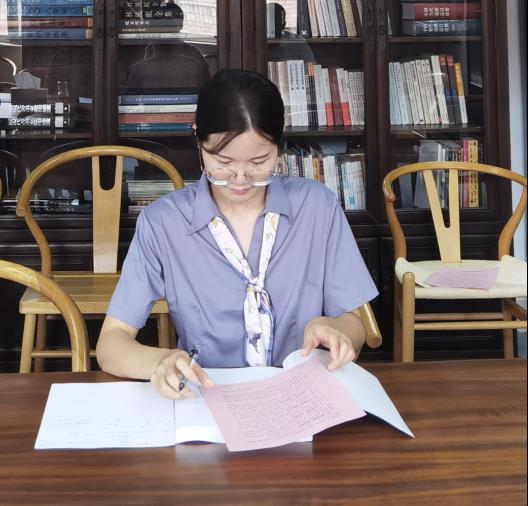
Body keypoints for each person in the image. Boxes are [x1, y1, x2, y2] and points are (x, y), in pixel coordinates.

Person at [96, 68, 378, 400]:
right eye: (223, 161)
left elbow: (356, 321)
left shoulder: (317, 207)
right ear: (198, 138)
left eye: (259, 161)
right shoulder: (163, 223)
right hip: (206, 401)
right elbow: (111, 343)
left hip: (301, 400)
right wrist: (159, 361)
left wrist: (336, 329)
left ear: (279, 143)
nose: (241, 178)